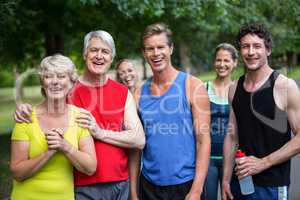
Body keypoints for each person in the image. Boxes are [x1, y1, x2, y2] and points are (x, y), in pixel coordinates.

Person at [14, 30, 145, 200]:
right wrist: (24, 109)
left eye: (105, 52)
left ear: (111, 58)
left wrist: (99, 132)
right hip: (81, 185)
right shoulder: (66, 88)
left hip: (120, 184)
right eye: (94, 50)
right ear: (85, 54)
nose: (99, 56)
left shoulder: (122, 92)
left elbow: (139, 139)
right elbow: (42, 114)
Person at [130, 22, 211, 200]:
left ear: (171, 49)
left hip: (186, 185)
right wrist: (134, 193)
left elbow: (203, 141)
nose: (156, 53)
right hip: (149, 186)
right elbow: (136, 148)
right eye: (150, 49)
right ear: (144, 53)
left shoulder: (193, 86)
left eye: (161, 47)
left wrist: (197, 190)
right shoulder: (137, 94)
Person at [222, 22, 300, 200]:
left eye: (257, 46)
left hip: (272, 186)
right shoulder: (234, 89)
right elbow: (232, 136)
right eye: (245, 46)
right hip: (239, 182)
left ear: (268, 50)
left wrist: (263, 163)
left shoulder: (284, 86)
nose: (251, 52)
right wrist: (226, 180)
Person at [10, 54, 97, 200]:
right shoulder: (26, 118)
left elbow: (90, 167)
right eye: (49, 76)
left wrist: (64, 146)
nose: (55, 82)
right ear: (42, 83)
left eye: (61, 76)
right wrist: (49, 152)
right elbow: (17, 172)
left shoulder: (80, 117)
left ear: (71, 83)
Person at [204, 43, 238, 200]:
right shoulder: (203, 88)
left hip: (233, 160)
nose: (222, 65)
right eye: (218, 60)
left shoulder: (240, 90)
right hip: (208, 159)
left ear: (235, 63)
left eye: (226, 61)